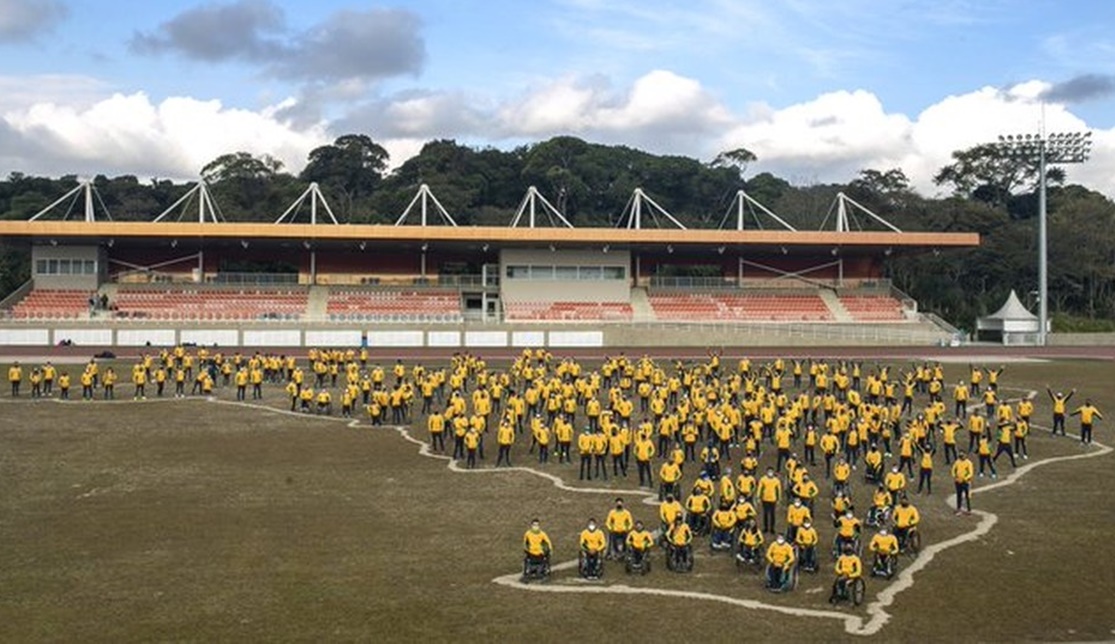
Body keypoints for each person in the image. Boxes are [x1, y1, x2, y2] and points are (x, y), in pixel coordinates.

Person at [757, 466, 782, 534]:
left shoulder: (776, 480)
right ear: (766, 472)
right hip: (765, 499)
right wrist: (758, 497)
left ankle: (772, 528)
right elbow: (759, 488)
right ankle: (766, 528)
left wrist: (779, 499)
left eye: (771, 471)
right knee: (765, 514)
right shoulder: (763, 479)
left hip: (773, 499)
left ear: (773, 472)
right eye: (769, 471)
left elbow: (779, 490)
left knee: (772, 514)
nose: (770, 473)